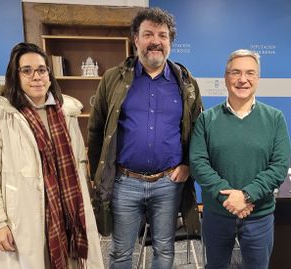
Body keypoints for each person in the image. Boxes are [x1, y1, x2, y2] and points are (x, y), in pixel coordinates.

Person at [87, 7, 203, 268]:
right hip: (124, 182)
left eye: (162, 35)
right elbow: (96, 131)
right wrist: (99, 174)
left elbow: (198, 131)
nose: (155, 41)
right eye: (148, 33)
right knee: (120, 252)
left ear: (170, 42)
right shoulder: (113, 79)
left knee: (165, 249)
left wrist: (188, 165)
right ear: (135, 39)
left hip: (168, 184)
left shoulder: (186, 83)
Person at [0, 42, 104, 269]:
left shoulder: (66, 113)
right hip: (23, 217)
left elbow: (78, 168)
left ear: (49, 75)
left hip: (67, 213)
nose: (36, 76)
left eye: (42, 70)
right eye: (27, 70)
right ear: (16, 75)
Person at [189, 49, 291, 269]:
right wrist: (228, 198)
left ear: (258, 78)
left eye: (250, 73)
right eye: (236, 72)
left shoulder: (275, 118)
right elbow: (198, 164)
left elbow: (279, 166)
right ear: (226, 78)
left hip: (259, 215)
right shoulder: (207, 119)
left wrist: (246, 196)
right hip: (216, 214)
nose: (243, 79)